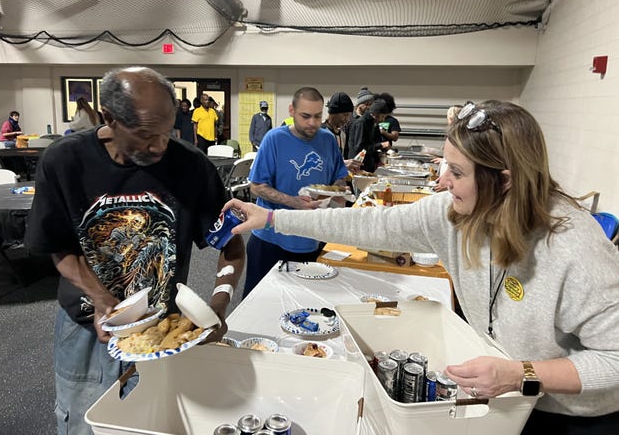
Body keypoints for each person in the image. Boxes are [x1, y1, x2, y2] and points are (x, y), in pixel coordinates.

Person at [223, 100, 619, 435]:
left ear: (506, 181)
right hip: (507, 398)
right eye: (445, 165)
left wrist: (520, 374)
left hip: (570, 414)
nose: (442, 182)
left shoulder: (571, 246)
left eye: (457, 172)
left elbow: (614, 358)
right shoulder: (454, 213)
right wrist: (272, 219)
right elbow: (367, 223)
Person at [24, 66, 245, 435]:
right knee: (84, 423)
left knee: (154, 420)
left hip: (162, 327)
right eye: (145, 135)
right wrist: (100, 298)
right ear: (109, 118)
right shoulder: (64, 162)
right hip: (85, 326)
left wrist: (218, 304)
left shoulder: (190, 165)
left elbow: (232, 243)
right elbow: (58, 248)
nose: (159, 145)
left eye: (167, 132)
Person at [242, 86, 349, 298]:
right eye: (305, 116)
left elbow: (339, 174)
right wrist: (294, 202)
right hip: (271, 237)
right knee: (260, 301)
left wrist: (336, 189)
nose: (312, 123)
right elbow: (257, 186)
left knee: (302, 302)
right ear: (292, 110)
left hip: (309, 237)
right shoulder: (274, 139)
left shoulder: (327, 139)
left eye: (318, 116)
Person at [346, 98, 391, 173]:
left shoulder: (373, 124)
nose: (383, 120)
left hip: (368, 166)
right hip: (358, 168)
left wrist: (379, 156)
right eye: (382, 116)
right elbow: (360, 149)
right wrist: (380, 145)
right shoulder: (361, 123)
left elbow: (371, 144)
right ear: (375, 114)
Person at [321, 91, 360, 173]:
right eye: (345, 115)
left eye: (349, 116)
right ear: (333, 113)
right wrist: (343, 164)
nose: (347, 119)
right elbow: (319, 163)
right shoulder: (320, 132)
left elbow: (339, 159)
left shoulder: (342, 135)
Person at [434, 104, 463, 192]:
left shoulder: (461, 137)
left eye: (448, 118)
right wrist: (443, 161)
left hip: (453, 186)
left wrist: (447, 183)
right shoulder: (454, 135)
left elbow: (460, 165)